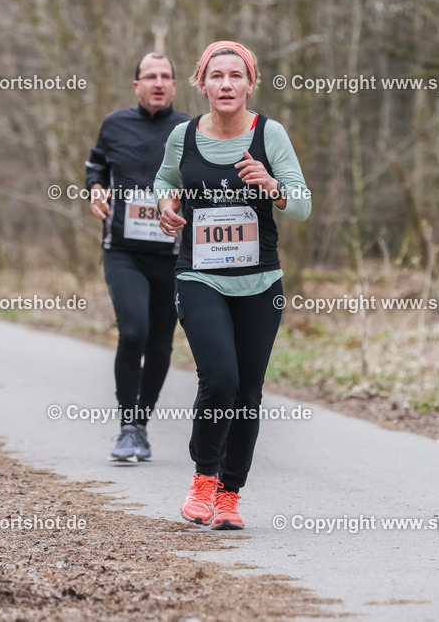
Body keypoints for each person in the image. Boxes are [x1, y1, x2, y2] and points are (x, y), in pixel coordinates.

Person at [155, 41, 311, 530]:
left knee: (247, 392)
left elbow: (303, 204)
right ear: (201, 84)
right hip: (199, 275)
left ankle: (230, 495)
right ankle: (203, 479)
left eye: (236, 76)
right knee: (219, 378)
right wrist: (165, 205)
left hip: (261, 280)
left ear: (250, 83)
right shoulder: (183, 136)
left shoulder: (271, 134)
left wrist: (271, 184)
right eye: (216, 76)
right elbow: (164, 180)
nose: (226, 85)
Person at [86, 52, 190, 462]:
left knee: (161, 343)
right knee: (133, 332)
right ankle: (127, 425)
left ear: (175, 85)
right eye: (150, 76)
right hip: (123, 249)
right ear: (136, 85)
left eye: (166, 76)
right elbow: (95, 166)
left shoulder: (189, 129)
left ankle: (140, 426)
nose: (158, 83)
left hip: (171, 252)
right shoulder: (114, 124)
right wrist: (95, 188)